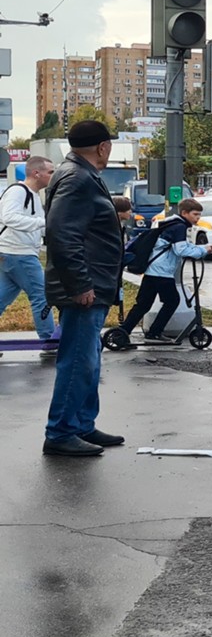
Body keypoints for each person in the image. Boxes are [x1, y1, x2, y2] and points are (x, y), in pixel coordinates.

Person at [41, 121, 125, 456]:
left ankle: (81, 424)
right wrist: (80, 285)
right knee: (78, 360)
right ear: (103, 146)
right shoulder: (77, 178)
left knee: (89, 357)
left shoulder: (78, 173)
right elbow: (62, 235)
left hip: (92, 284)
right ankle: (60, 432)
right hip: (83, 288)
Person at [110, 199, 212, 344]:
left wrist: (203, 248)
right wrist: (205, 249)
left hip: (152, 269)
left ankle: (122, 332)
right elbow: (180, 249)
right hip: (162, 271)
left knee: (143, 304)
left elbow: (178, 246)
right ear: (184, 213)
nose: (198, 218)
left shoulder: (171, 224)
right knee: (172, 301)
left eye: (199, 215)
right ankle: (154, 332)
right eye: (195, 214)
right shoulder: (179, 227)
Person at [0, 155, 57, 341]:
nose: (53, 175)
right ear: (36, 173)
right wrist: (44, 223)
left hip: (13, 252)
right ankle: (49, 339)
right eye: (51, 172)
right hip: (19, 252)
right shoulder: (18, 192)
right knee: (41, 295)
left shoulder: (32, 194)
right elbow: (9, 217)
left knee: (2, 297)